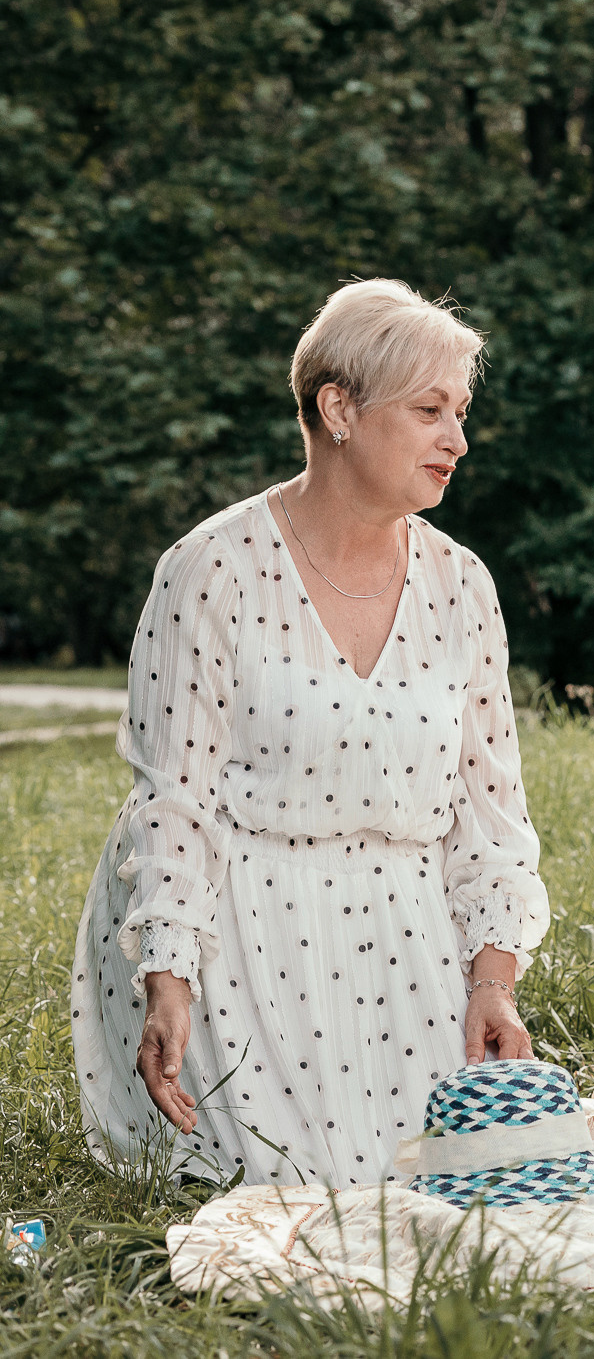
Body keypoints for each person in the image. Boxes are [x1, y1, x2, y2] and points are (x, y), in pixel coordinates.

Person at [71, 279, 546, 1188]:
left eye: (462, 412)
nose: (460, 439)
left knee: (475, 1182)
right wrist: (167, 977)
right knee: (299, 1187)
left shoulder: (463, 586)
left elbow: (492, 818)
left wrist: (492, 981)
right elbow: (172, 799)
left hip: (401, 935)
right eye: (430, 411)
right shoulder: (211, 568)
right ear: (339, 409)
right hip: (239, 925)